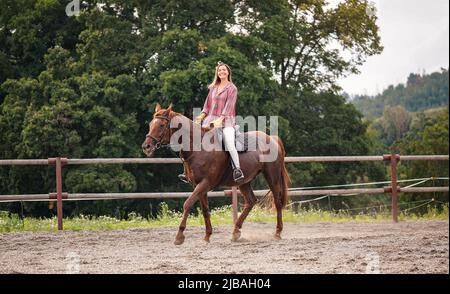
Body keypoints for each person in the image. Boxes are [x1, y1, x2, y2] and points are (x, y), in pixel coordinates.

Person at [178, 61, 245, 184]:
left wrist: (221, 118)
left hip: (227, 121)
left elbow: (229, 106)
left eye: (224, 70)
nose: (221, 72)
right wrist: (202, 115)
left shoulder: (232, 88)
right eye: (219, 70)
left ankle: (237, 169)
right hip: (209, 120)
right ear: (217, 73)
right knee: (193, 140)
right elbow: (207, 105)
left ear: (228, 72)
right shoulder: (213, 88)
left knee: (229, 143)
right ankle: (187, 172)